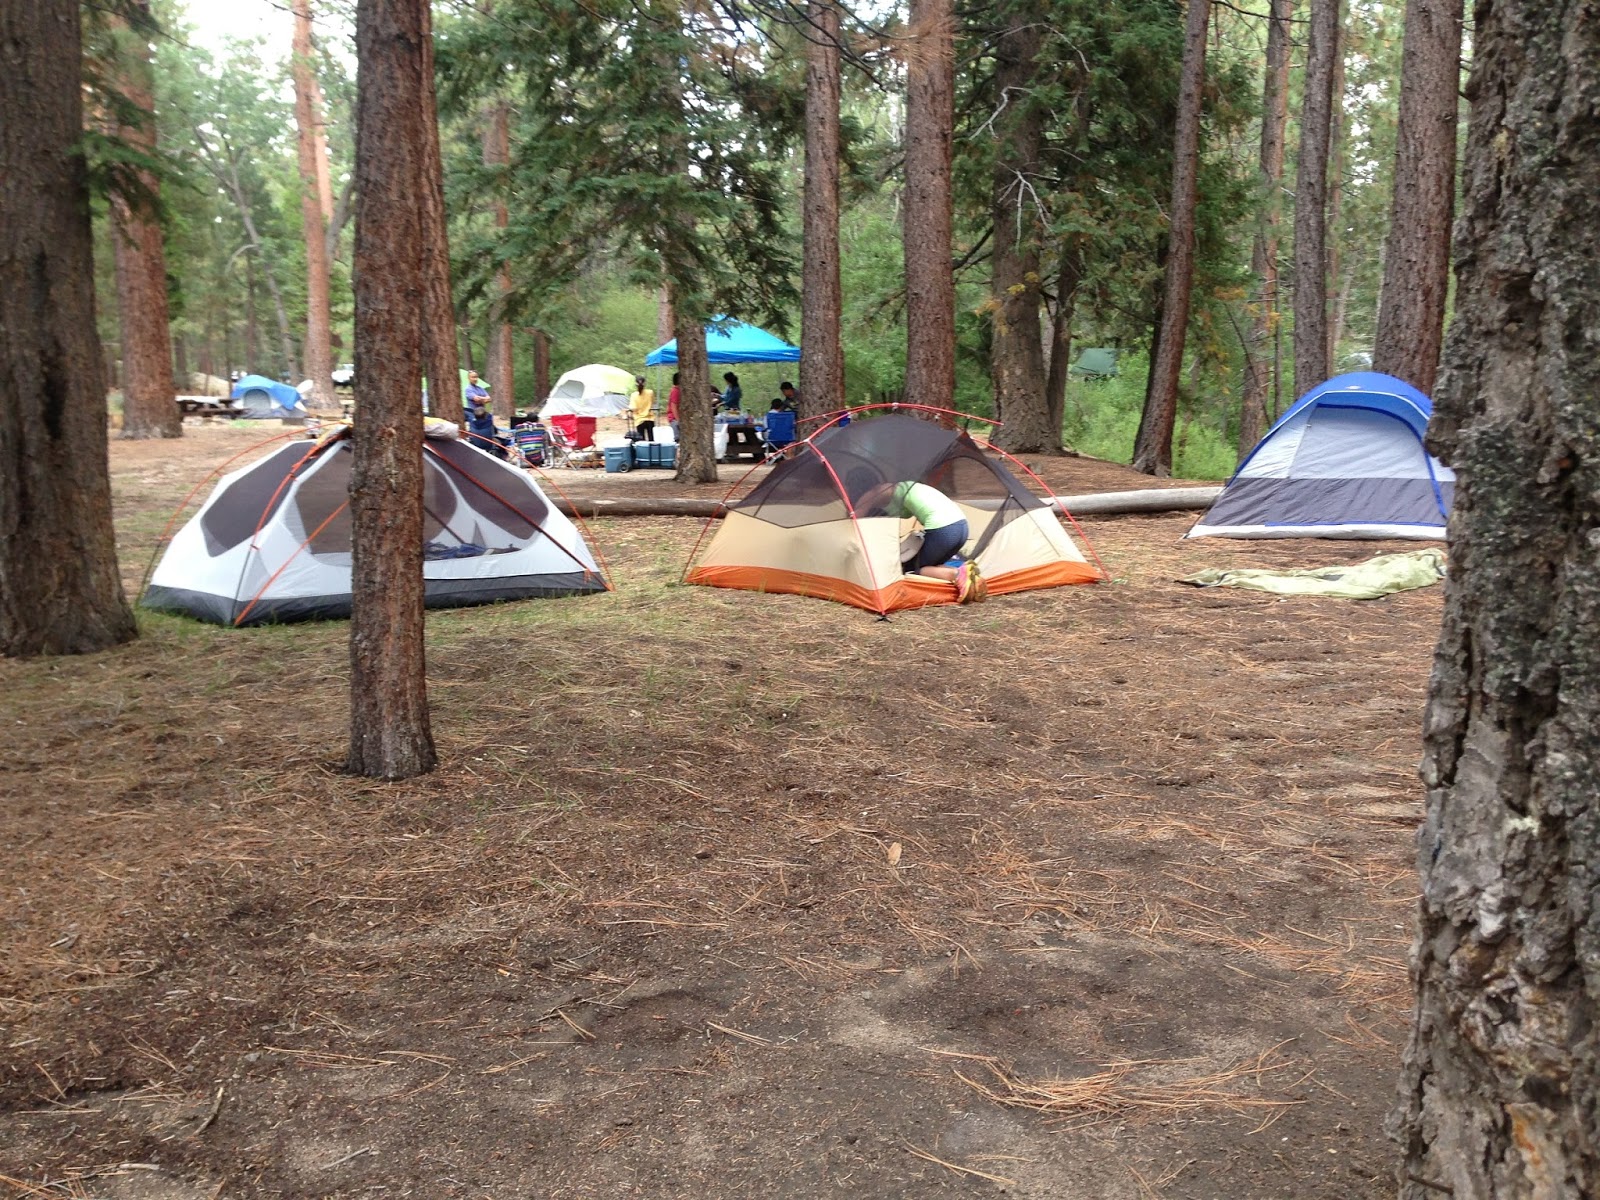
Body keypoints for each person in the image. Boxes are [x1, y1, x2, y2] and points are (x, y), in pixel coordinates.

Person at [849, 472, 987, 603]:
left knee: (911, 570)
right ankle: (972, 580)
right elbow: (903, 514)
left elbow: (855, 518)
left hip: (944, 530)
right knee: (931, 564)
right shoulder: (905, 488)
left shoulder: (877, 491)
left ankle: (957, 574)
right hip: (961, 526)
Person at [629, 375, 656, 442]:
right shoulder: (650, 392)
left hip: (639, 420)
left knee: (641, 441)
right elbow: (653, 402)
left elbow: (633, 408)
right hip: (650, 418)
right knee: (651, 440)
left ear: (636, 384)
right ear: (645, 383)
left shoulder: (633, 395)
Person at [666, 372, 681, 440]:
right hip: (674, 419)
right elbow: (673, 406)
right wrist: (678, 420)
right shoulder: (675, 391)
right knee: (678, 438)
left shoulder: (679, 390)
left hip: (678, 418)